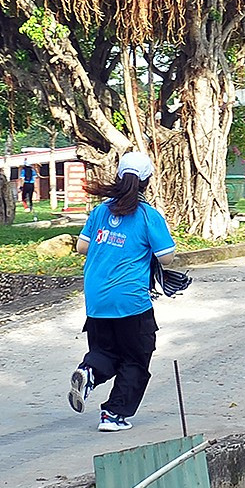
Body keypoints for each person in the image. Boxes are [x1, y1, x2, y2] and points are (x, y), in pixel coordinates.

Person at [67, 150, 177, 432]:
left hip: (96, 298)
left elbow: (82, 246)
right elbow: (166, 257)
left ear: (118, 177)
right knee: (136, 358)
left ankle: (89, 371)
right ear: (147, 182)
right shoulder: (148, 216)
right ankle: (113, 415)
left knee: (106, 351)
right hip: (131, 300)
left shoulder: (100, 211)